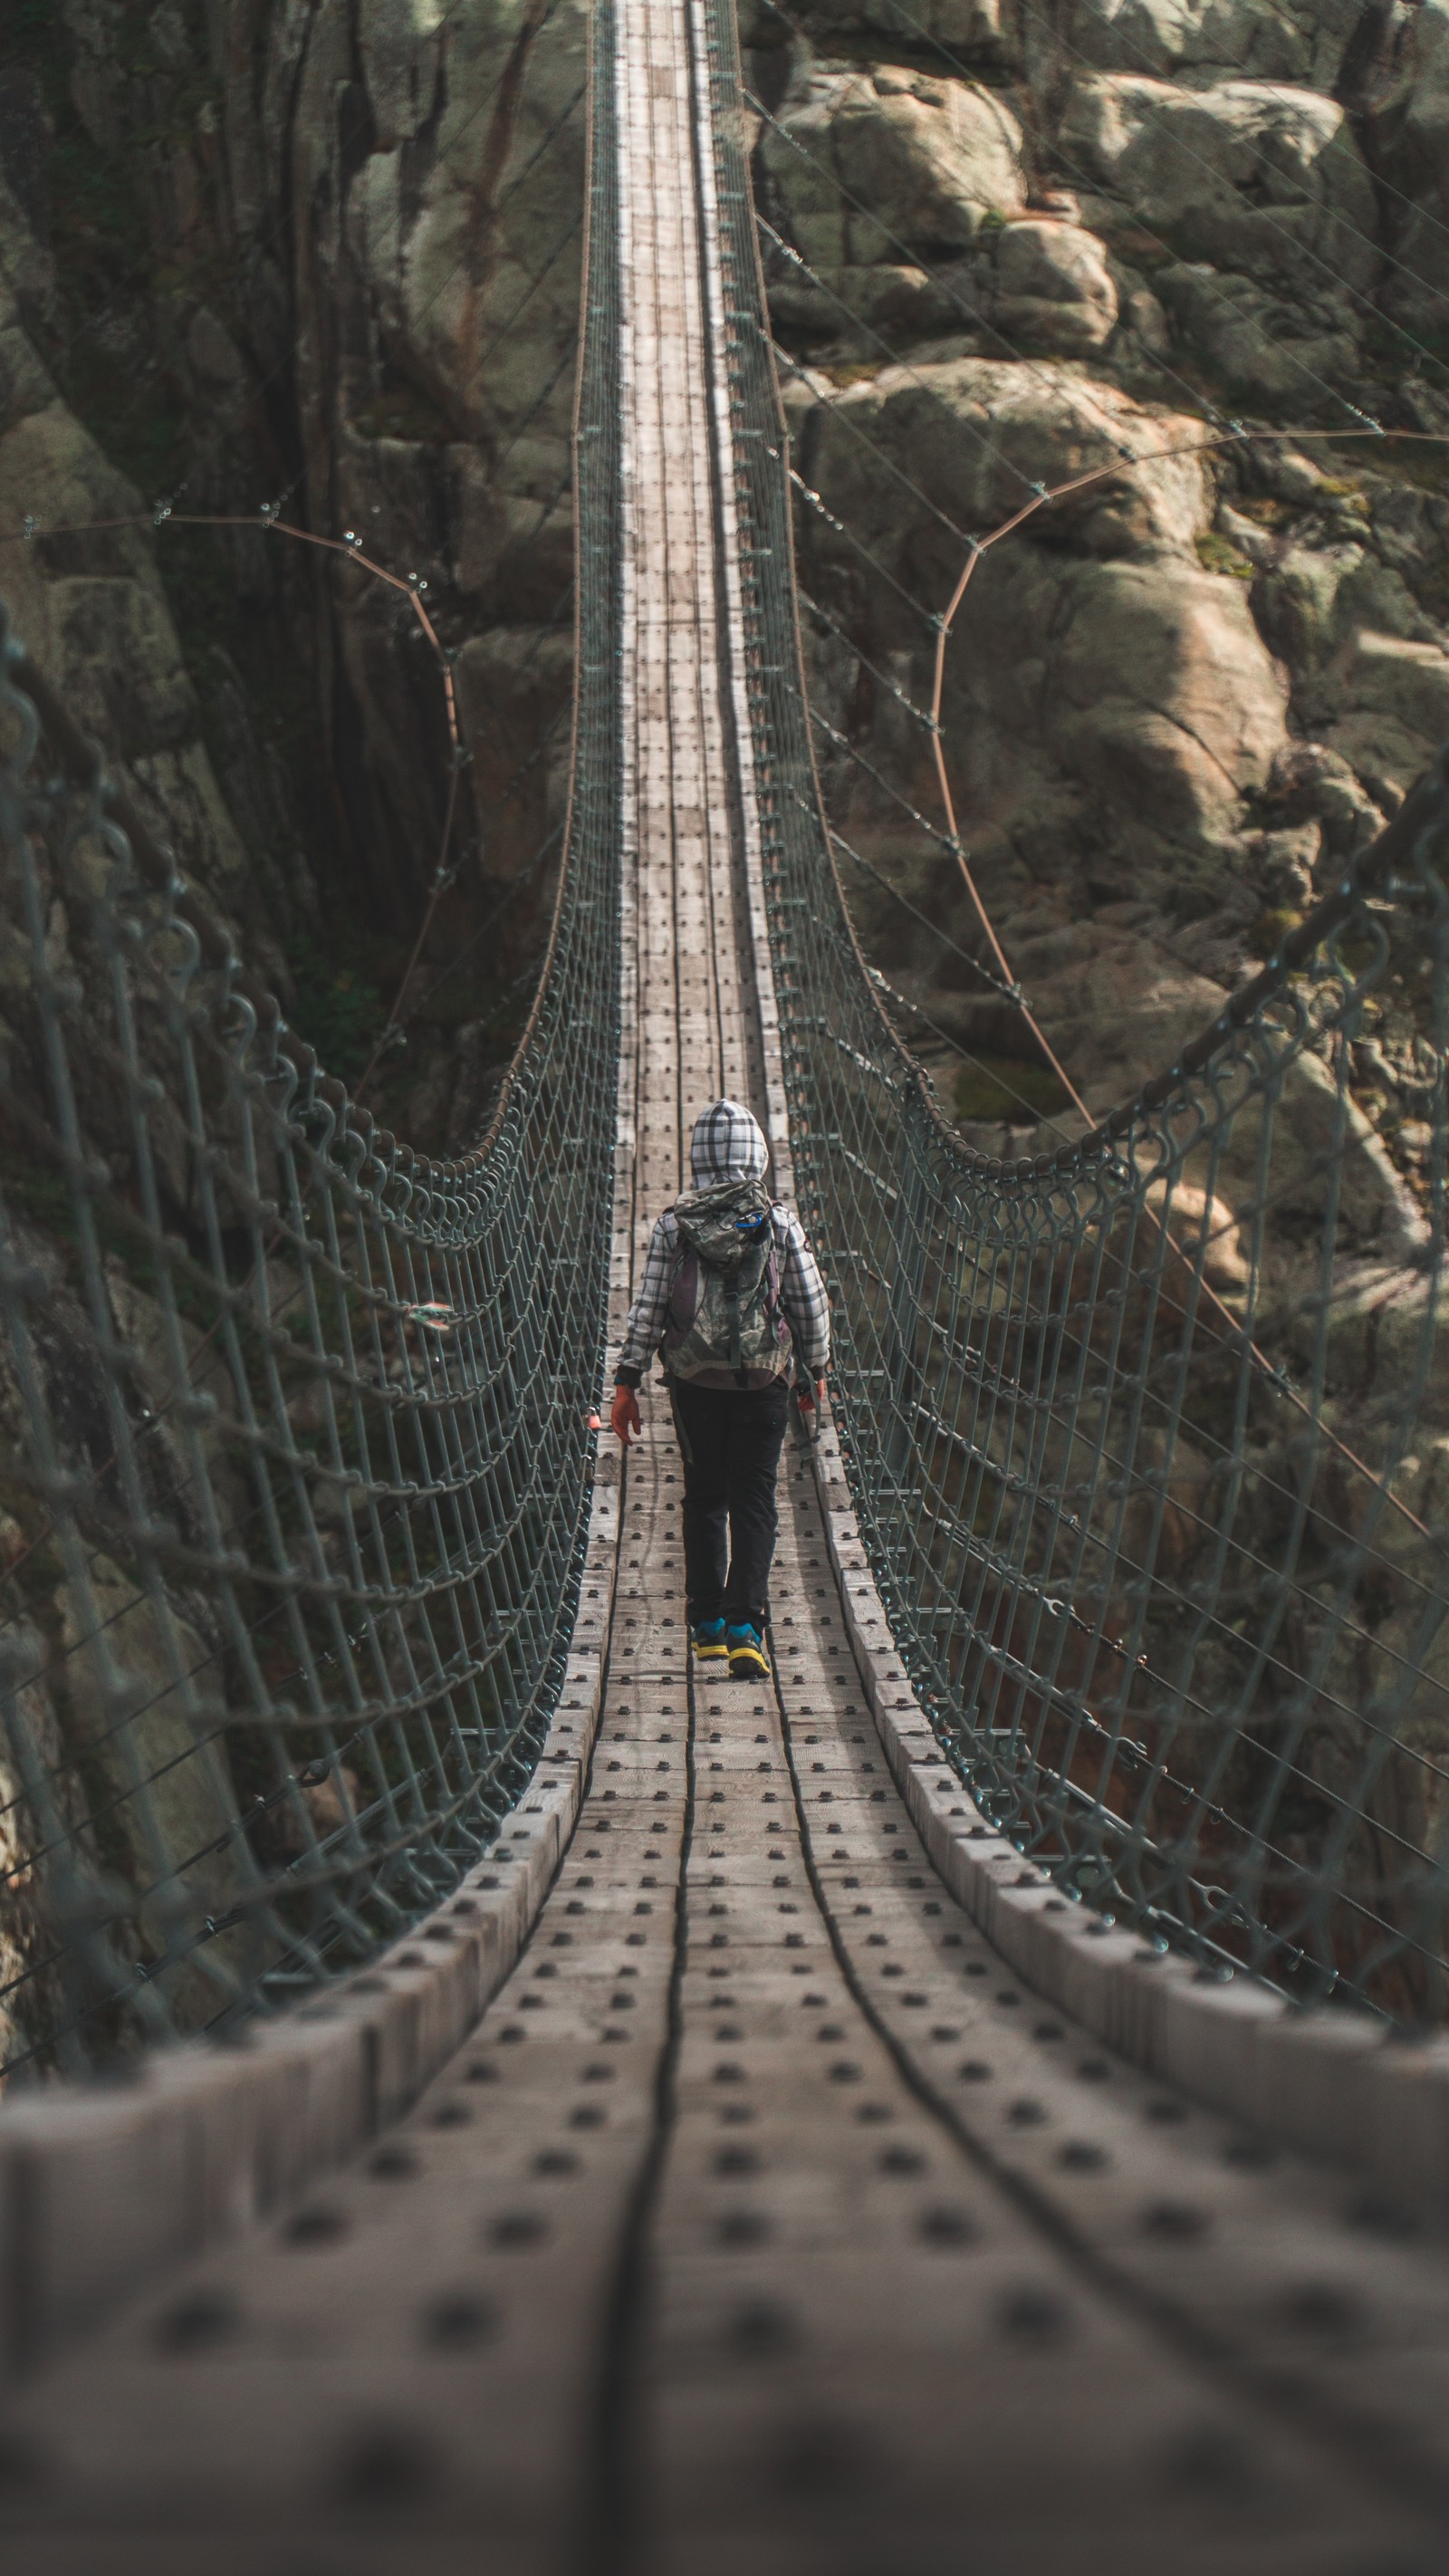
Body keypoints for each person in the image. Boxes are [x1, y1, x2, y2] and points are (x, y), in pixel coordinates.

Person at [609, 1100, 830, 1681]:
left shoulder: (674, 1225)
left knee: (705, 1496)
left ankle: (705, 1625)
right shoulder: (779, 1222)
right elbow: (808, 1304)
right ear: (757, 1154)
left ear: (697, 1158)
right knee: (754, 1498)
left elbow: (650, 1307)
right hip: (764, 1380)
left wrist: (627, 1381)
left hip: (693, 1381)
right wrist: (815, 1369)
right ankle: (745, 1627)